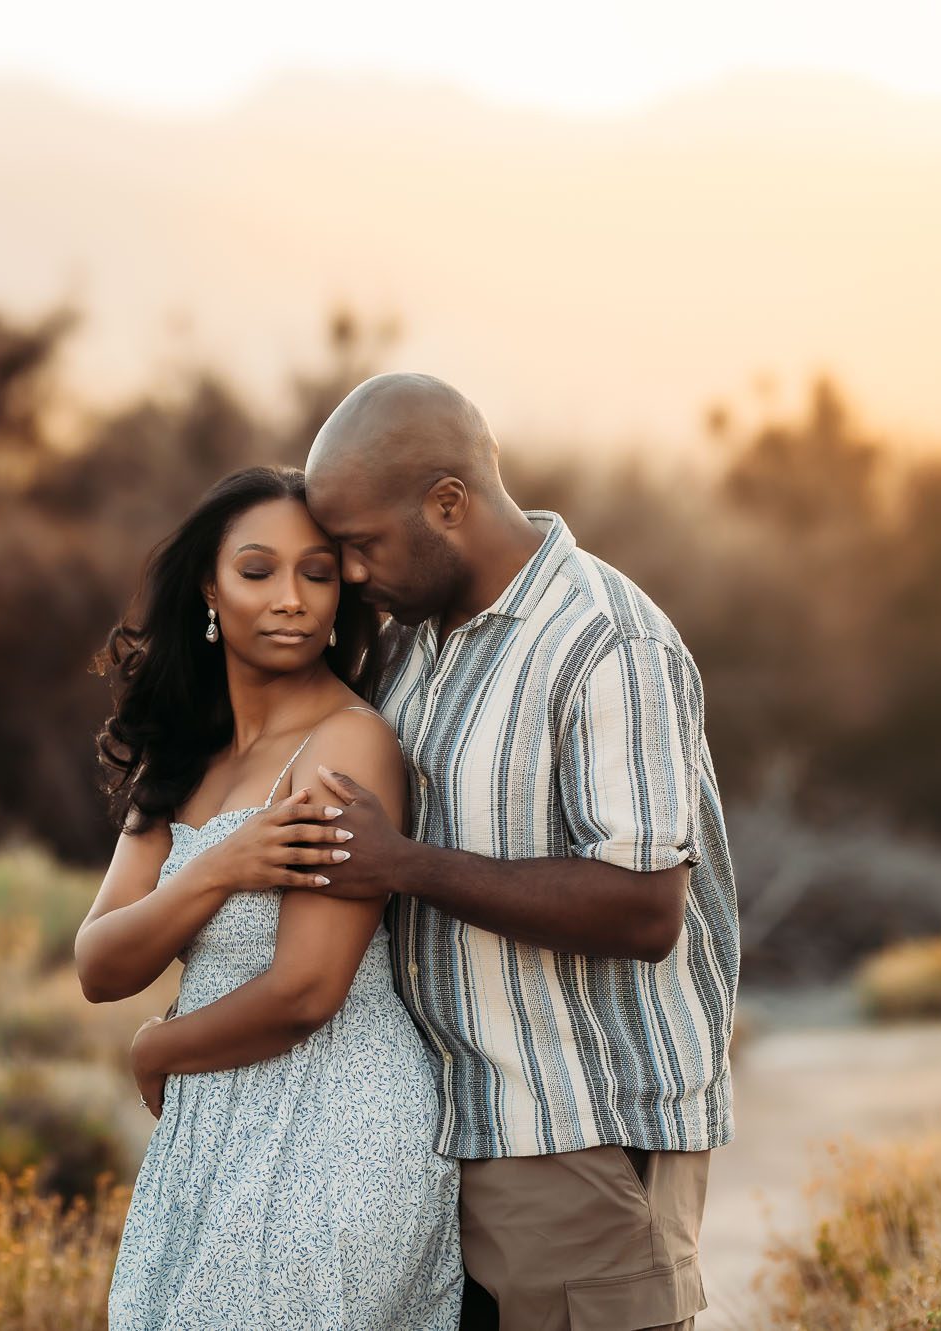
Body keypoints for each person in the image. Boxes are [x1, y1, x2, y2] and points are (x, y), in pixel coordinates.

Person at [299, 372, 740, 1331]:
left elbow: (644, 908)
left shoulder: (606, 641)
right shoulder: (421, 642)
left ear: (447, 503)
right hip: (456, 1139)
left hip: (580, 1141)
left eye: (362, 545)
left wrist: (404, 863)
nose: (354, 575)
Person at [76, 464, 463, 1330]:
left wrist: (157, 1051)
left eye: (316, 574)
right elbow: (99, 963)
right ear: (210, 589)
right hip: (213, 1121)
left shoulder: (347, 745)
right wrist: (222, 865)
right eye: (259, 571)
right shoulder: (183, 757)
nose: (291, 597)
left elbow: (306, 990)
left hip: (338, 1117)